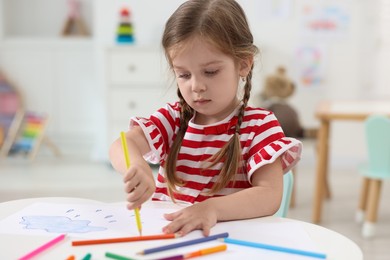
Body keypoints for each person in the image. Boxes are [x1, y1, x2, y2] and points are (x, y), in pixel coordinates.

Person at [109, 0, 302, 237]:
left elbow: (269, 195)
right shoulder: (173, 119)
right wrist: (135, 164)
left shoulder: (260, 126)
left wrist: (210, 209)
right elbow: (122, 145)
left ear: (243, 64)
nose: (196, 86)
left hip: (230, 246)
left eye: (210, 72)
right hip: (168, 241)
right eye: (184, 74)